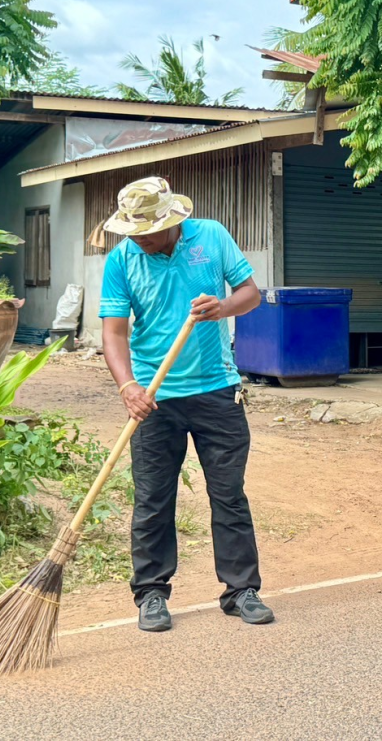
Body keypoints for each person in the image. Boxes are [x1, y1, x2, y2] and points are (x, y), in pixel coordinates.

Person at [99, 177, 273, 632]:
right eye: (133, 233)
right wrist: (128, 388)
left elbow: (251, 294)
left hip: (217, 390)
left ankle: (241, 591)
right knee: (153, 500)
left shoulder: (211, 235)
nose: (141, 240)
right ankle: (151, 594)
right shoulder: (122, 260)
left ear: (173, 221)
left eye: (148, 233)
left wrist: (223, 307)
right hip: (154, 401)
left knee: (228, 495)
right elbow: (114, 332)